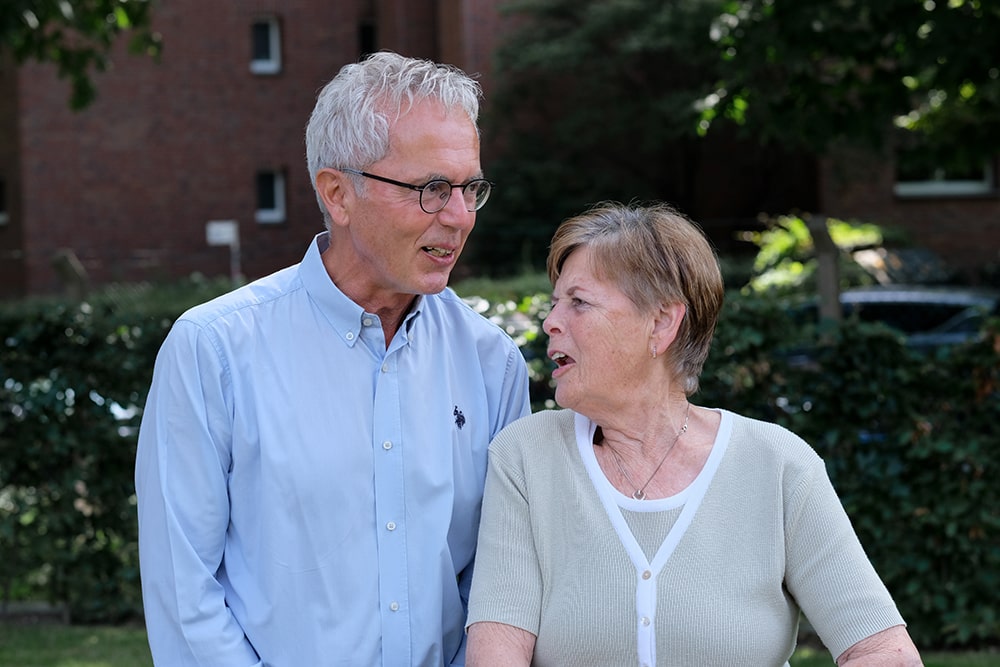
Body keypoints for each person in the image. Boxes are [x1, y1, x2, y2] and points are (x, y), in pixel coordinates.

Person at [134, 51, 531, 667]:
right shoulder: (213, 350)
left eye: (470, 188)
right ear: (338, 194)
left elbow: (501, 582)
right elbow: (184, 593)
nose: (458, 217)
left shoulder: (493, 362)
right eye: (430, 189)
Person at [465, 202, 923, 666]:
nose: (550, 321)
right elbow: (497, 655)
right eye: (555, 301)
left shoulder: (778, 464)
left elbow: (883, 651)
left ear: (662, 323)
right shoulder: (526, 455)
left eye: (579, 302)